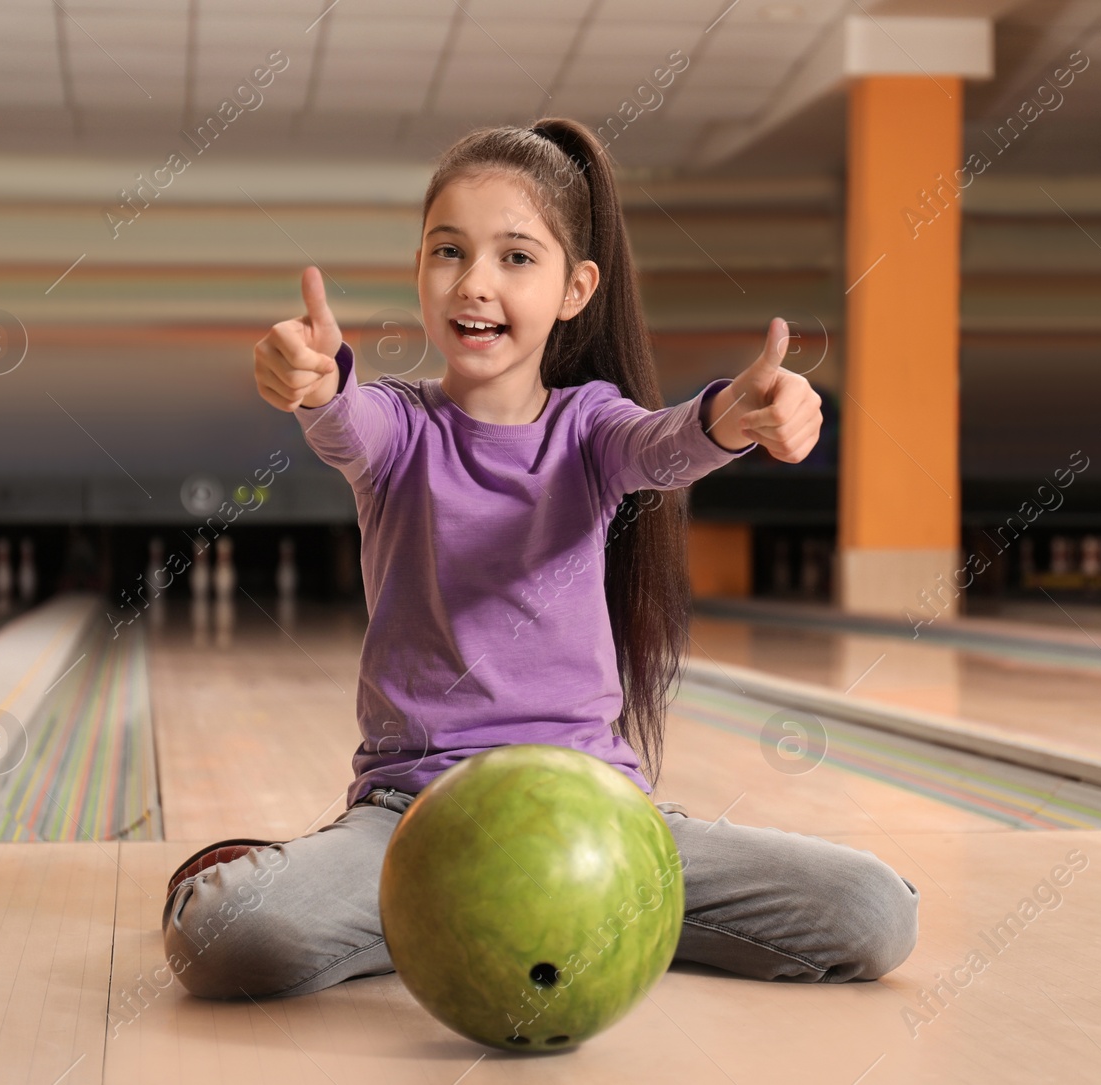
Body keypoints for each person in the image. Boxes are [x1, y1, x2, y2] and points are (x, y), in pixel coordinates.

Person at [163, 117, 918, 1001]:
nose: (475, 282)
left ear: (575, 287)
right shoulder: (401, 431)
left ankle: (468, 925)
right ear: (419, 268)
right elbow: (344, 417)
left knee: (873, 912)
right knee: (230, 934)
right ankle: (487, 914)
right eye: (448, 250)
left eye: (517, 257)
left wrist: (732, 420)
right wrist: (318, 380)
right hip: (421, 819)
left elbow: (661, 445)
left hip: (601, 818)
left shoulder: (588, 426)